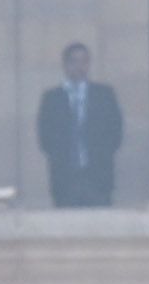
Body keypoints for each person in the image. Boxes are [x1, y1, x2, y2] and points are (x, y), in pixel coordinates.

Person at [38, 41, 124, 207]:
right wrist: (60, 158)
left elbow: (116, 131)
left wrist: (102, 155)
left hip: (99, 177)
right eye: (74, 61)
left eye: (84, 61)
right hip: (64, 178)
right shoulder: (51, 98)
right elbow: (45, 137)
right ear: (65, 65)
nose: (80, 66)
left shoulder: (104, 94)